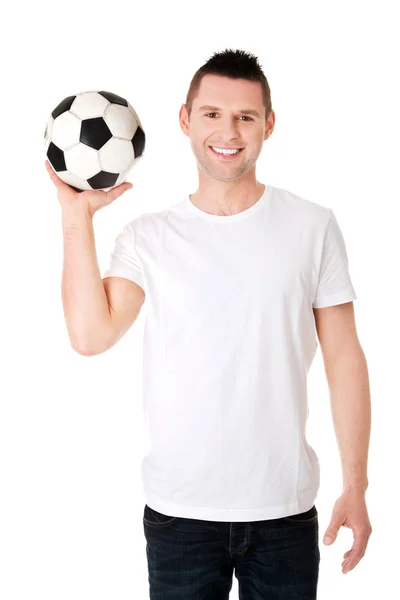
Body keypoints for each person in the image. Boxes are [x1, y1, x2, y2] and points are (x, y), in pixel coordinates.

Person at [46, 48, 372, 599]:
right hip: (179, 515)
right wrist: (76, 218)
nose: (229, 131)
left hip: (284, 511)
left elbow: (345, 360)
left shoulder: (312, 226)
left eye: (246, 116)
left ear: (268, 124)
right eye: (212, 114)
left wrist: (357, 485)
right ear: (184, 120)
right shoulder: (147, 238)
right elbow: (89, 335)